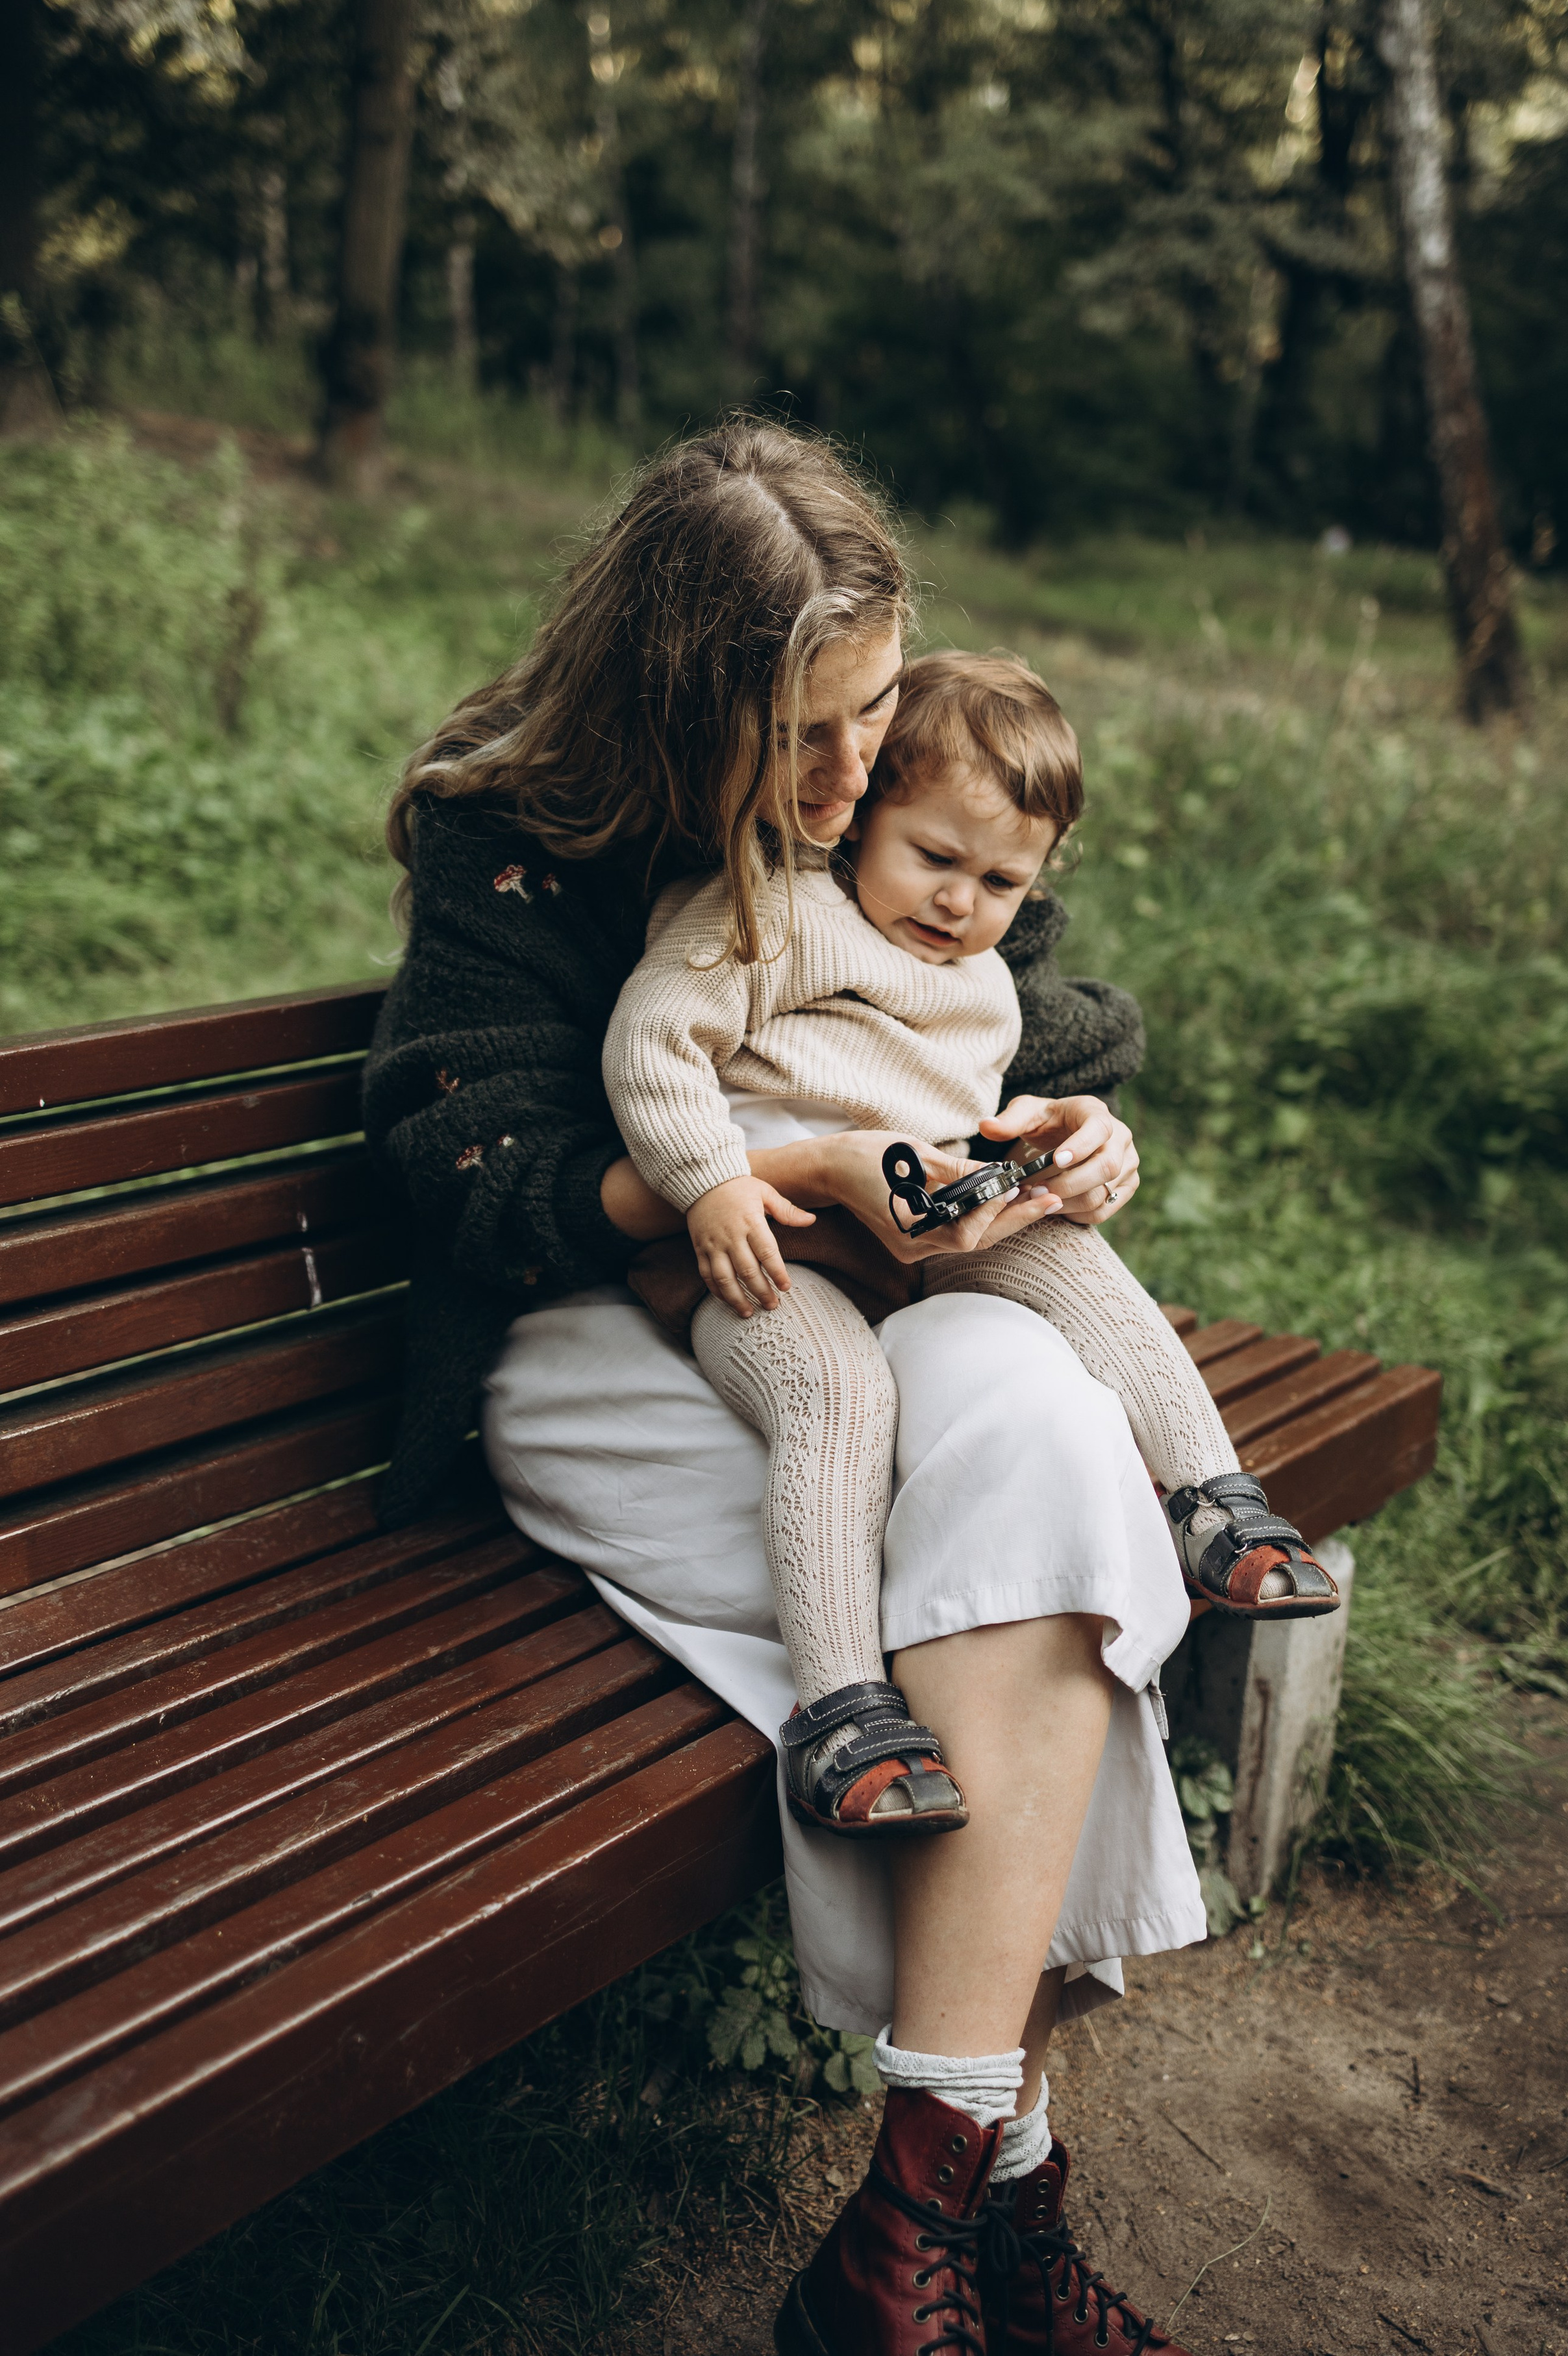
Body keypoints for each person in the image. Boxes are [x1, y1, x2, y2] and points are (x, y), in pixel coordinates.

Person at [365, 422, 1209, 2356]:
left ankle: (905, 2218)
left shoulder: (883, 788)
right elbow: (448, 1148)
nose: (851, 778)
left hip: (850, 1297)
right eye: (804, 735)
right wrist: (746, 1181)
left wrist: (1061, 1130)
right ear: (678, 700)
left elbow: (1049, 997)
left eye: (873, 710)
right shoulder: (525, 825)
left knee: (1054, 1452)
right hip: (591, 1335)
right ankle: (1000, 2197)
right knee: (1013, 1622)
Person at [599, 649, 1340, 1843]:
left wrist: (1040, 1153)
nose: (959, 903)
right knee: (837, 1397)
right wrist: (708, 1184)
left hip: (912, 1219)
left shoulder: (985, 979)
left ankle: (1216, 1502)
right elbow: (651, 1044)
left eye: (1000, 881)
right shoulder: (775, 911)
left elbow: (980, 1106)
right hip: (758, 1237)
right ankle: (843, 1713)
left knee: (1066, 1253)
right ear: (862, 818)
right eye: (934, 858)